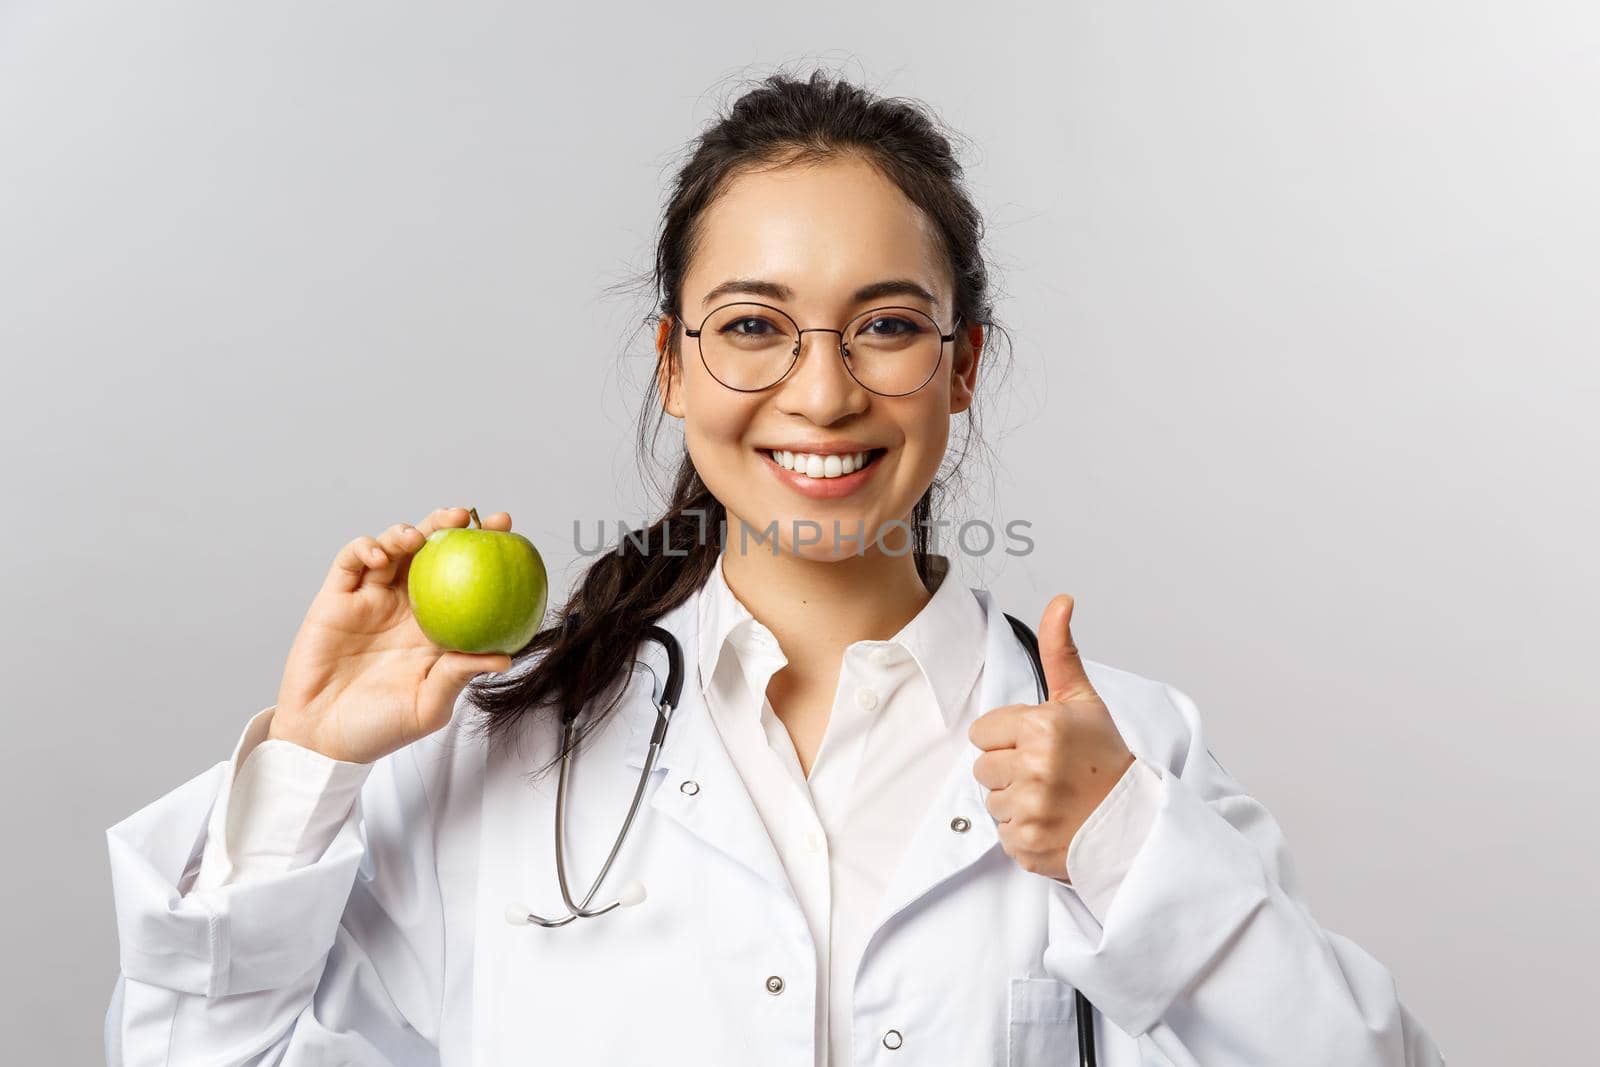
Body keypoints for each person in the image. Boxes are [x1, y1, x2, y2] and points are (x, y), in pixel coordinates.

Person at [103, 70, 1445, 1066]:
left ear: (961, 366)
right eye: (753, 326)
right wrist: (311, 769)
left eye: (886, 327)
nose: (821, 391)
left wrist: (1130, 857)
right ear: (675, 362)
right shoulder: (491, 754)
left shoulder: (1113, 757)